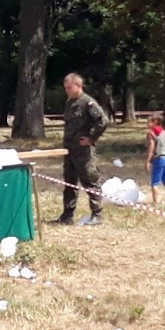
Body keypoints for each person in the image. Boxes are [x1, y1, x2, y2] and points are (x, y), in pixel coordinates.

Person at [57, 73, 107, 226]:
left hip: (84, 152)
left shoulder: (88, 103)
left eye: (69, 88)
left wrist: (91, 139)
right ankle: (67, 215)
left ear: (78, 86)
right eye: (65, 88)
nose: (67, 91)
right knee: (70, 183)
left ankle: (97, 214)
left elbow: (102, 122)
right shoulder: (69, 103)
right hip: (70, 150)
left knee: (90, 181)